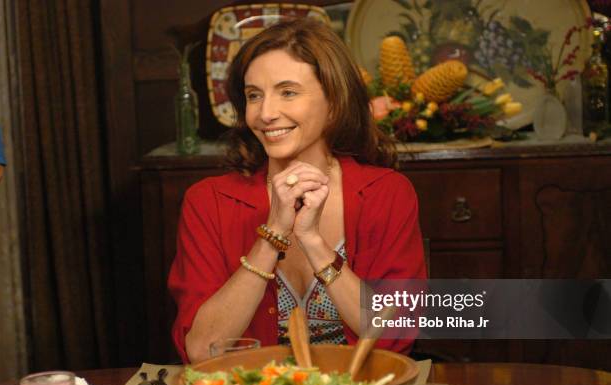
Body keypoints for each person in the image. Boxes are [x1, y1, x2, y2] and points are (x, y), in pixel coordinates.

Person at [168, 18, 426, 363]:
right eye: (253, 96)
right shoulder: (208, 202)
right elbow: (202, 351)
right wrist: (273, 234)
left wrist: (315, 245)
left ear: (334, 103)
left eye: (288, 92)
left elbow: (395, 338)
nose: (266, 113)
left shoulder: (387, 193)